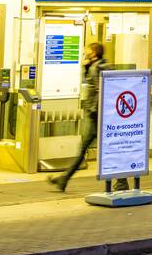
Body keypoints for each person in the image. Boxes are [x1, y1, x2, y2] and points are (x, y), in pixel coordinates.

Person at [49, 42, 128, 193]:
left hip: (96, 114)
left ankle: (121, 182)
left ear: (94, 53)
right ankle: (64, 178)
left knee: (96, 147)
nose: (85, 53)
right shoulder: (103, 66)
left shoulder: (95, 68)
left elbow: (100, 90)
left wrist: (94, 110)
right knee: (108, 147)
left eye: (87, 51)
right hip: (104, 114)